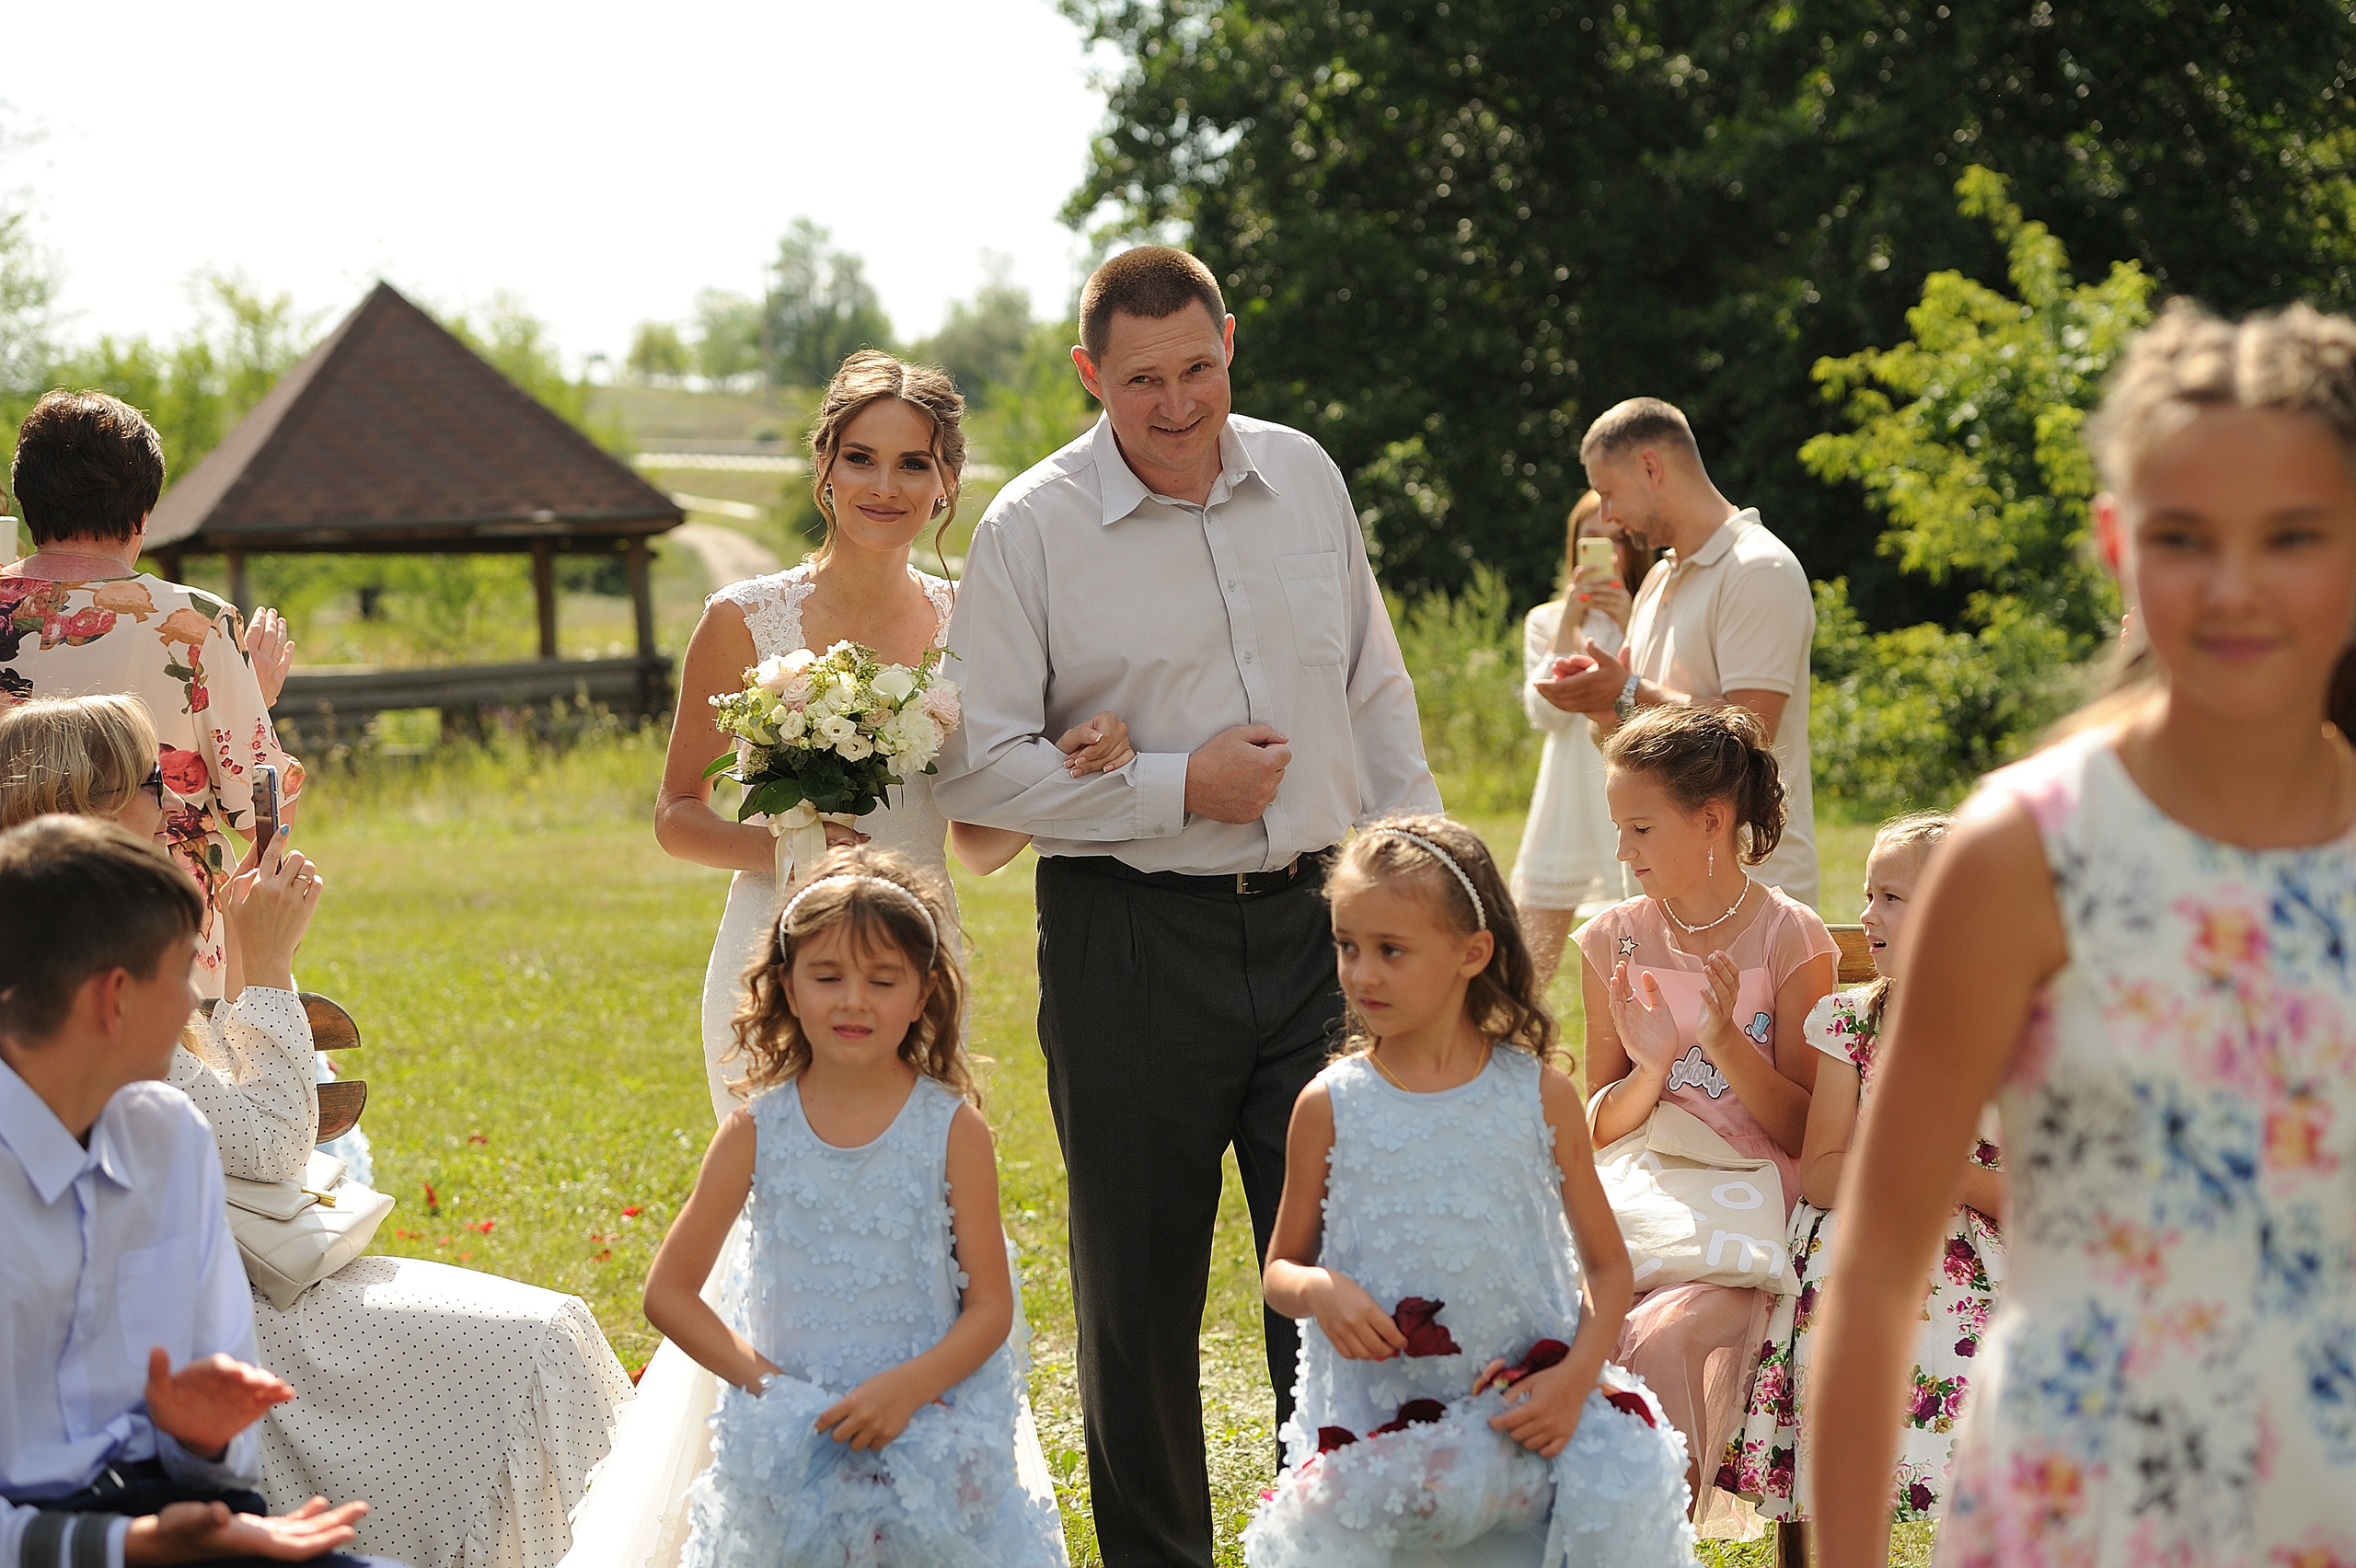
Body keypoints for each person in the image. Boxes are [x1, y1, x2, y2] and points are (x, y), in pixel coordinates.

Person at [1810, 303, 2356, 1567]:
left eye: (2291, 536)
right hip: (2078, 1509)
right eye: (2182, 537)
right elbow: (1877, 1272)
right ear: (2117, 544)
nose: (2233, 586)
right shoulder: (2027, 850)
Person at [930, 245, 1440, 1567]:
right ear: (1088, 374)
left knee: (1337, 1274)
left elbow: (1374, 692)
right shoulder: (1030, 529)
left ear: (1231, 344)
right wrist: (1176, 785)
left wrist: (1431, 883)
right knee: (1139, 1300)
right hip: (1129, 942)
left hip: (1327, 935)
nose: (1176, 405)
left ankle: (1331, 1545)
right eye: (1141, 381)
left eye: (1197, 369)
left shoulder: (1306, 474)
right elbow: (975, 772)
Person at [0, 696, 637, 1568]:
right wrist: (265, 968)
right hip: (257, 1334)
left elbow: (211, 1452)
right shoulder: (82, 1038)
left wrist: (200, 1455)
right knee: (540, 1347)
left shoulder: (160, 1125)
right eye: (150, 780)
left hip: (222, 1389)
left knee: (547, 1339)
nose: (174, 798)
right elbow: (270, 1144)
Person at [652, 351, 1132, 1125]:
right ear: (825, 465)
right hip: (775, 950)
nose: (885, 486)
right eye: (861, 458)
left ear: (947, 481)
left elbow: (977, 844)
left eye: (913, 464)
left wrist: (1063, 763)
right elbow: (677, 814)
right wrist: (794, 851)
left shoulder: (974, 620)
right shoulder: (741, 620)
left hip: (918, 956)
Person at [1246, 816, 1695, 1567]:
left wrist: (1573, 1380)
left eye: (1390, 950)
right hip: (1383, 1431)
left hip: (1519, 1415)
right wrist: (1322, 1290)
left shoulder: (1538, 1097)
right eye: (1347, 946)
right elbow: (1280, 1270)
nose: (1362, 974)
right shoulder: (1330, 1106)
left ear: (1472, 952)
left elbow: (1608, 1266)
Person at [639, 847, 1065, 1567]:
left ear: (925, 991)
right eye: (828, 976)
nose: (854, 1001)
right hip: (795, 1446)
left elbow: (991, 1307)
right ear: (787, 984)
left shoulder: (952, 1130)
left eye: (883, 980)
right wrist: (776, 1394)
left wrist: (908, 1391)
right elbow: (668, 1293)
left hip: (924, 1428)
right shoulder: (754, 1132)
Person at [0, 813, 391, 1568]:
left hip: (181, 1526)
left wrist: (199, 1439)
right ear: (114, 999)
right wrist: (127, 1544)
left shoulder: (168, 1137)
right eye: (181, 973)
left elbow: (226, 1469)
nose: (191, 1004)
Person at [1570, 705, 1837, 1524]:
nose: (1624, 852)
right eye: (1619, 829)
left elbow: (1808, 1129)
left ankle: (1649, 1541)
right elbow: (1598, 1126)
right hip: (1644, 1184)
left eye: (1642, 829)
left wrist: (1723, 1040)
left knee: (1667, 1335)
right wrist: (1652, 1068)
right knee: (1555, 1313)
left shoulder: (1790, 937)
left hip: (1751, 1198)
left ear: (1712, 820)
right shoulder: (1612, 940)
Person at [1721, 812, 2003, 1537]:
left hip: (1983, 1251)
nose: (1867, 914)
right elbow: (1821, 1172)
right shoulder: (1852, 1023)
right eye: (1868, 894)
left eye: (1892, 898)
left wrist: (1950, 1180)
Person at [2, 391, 303, 998]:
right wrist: (254, 704)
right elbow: (262, 814)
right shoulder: (196, 624)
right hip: (157, 922)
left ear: (27, 501)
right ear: (143, 511)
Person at [1542, 398, 1820, 908]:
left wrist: (1629, 688)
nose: (1608, 514)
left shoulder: (1759, 569)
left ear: (1651, 467)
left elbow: (1753, 728)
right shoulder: (1655, 580)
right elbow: (1637, 738)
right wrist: (1604, 705)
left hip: (1752, 904)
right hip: (1658, 901)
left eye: (1608, 493)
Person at [1515, 490, 1654, 985]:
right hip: (1567, 792)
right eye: (1592, 539)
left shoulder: (1651, 613)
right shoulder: (1547, 619)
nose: (1607, 552)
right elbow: (1543, 713)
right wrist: (1569, 623)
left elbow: (1655, 703)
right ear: (1575, 547)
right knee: (1530, 960)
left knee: (1640, 945)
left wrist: (1631, 619)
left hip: (1632, 787)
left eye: (1617, 539)